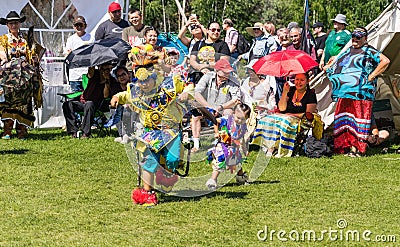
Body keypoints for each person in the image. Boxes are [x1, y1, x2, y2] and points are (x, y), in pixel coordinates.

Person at [110, 66, 194, 206]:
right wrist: (116, 97)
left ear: (153, 79)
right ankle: (147, 194)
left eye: (147, 81)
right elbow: (124, 95)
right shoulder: (136, 92)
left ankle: (165, 176)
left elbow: (189, 85)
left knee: (173, 160)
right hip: (150, 133)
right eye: (141, 82)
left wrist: (186, 93)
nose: (144, 84)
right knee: (149, 162)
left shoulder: (169, 85)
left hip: (171, 131)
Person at [325, 27, 390, 157]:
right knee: (346, 120)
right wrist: (330, 65)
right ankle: (344, 147)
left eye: (358, 37)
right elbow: (337, 63)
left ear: (365, 38)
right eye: (353, 36)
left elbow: (385, 61)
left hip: (361, 92)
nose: (355, 39)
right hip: (345, 92)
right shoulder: (348, 50)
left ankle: (356, 149)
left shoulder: (369, 50)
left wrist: (371, 76)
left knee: (358, 121)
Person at [0, 11, 44, 140]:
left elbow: (38, 52)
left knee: (25, 105)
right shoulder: (3, 40)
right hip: (10, 77)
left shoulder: (26, 38)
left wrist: (35, 58)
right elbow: (2, 55)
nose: (14, 25)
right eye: (11, 23)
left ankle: (22, 131)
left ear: (19, 23)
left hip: (26, 77)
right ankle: (7, 131)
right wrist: (5, 60)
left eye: (16, 22)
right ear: (7, 25)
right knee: (9, 104)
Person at [252, 73, 318, 157]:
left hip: (299, 119)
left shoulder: (310, 94)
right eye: (297, 79)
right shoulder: (291, 90)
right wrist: (284, 92)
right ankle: (269, 146)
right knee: (266, 119)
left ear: (307, 81)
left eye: (302, 80)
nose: (298, 82)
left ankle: (283, 150)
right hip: (285, 116)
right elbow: (282, 108)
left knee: (285, 122)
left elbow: (308, 114)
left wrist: (290, 115)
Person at [191, 59, 240, 152]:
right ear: (217, 71)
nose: (227, 74)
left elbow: (235, 99)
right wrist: (208, 107)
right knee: (195, 115)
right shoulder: (208, 77)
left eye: (228, 72)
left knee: (228, 113)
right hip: (207, 106)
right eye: (225, 72)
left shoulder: (233, 80)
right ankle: (196, 145)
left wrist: (221, 107)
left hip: (223, 107)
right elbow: (196, 93)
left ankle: (225, 142)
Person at [205, 103, 251, 190]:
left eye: (243, 119)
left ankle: (240, 177)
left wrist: (245, 150)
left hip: (234, 148)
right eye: (238, 118)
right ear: (233, 113)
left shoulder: (243, 126)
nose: (239, 121)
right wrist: (216, 132)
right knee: (220, 162)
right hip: (222, 146)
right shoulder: (227, 119)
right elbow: (216, 121)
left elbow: (243, 139)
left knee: (237, 162)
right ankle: (213, 180)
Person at [62, 63, 114, 138]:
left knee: (89, 104)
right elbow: (90, 72)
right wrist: (93, 64)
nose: (106, 71)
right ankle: (73, 131)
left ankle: (86, 133)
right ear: (100, 68)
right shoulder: (94, 74)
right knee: (67, 104)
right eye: (104, 69)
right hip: (83, 102)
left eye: (108, 69)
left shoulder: (111, 79)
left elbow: (106, 95)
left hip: (97, 106)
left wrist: (106, 81)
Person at [64, 16, 94, 92]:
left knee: (87, 98)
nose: (79, 27)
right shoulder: (70, 39)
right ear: (74, 27)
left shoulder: (91, 38)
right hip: (74, 75)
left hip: (86, 74)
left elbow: (94, 54)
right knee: (75, 99)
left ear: (85, 26)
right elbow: (67, 55)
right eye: (77, 25)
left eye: (81, 25)